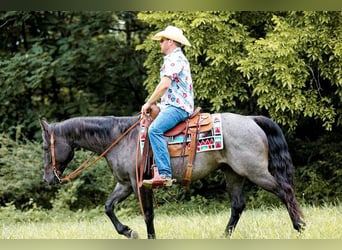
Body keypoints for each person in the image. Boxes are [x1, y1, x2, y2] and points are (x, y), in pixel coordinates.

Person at [141, 25, 194, 188]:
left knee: (154, 130)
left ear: (170, 41)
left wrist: (149, 102)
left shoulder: (174, 58)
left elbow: (164, 85)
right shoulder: (174, 58)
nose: (160, 43)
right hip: (172, 105)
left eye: (162, 40)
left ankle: (164, 174)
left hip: (178, 107)